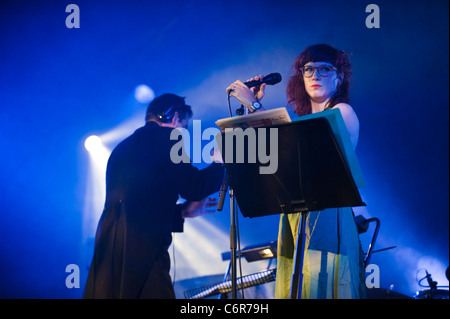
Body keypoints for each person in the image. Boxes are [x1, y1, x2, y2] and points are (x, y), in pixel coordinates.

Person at [226, 44, 365, 299]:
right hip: (295, 212)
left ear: (339, 77)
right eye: (308, 69)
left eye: (325, 69)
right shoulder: (300, 118)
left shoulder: (342, 111)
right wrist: (251, 108)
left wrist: (256, 107)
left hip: (327, 214)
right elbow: (268, 155)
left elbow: (304, 151)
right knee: (296, 288)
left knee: (321, 287)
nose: (315, 75)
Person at [83, 93, 224, 299]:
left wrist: (182, 211)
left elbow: (138, 201)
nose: (182, 133)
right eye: (183, 127)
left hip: (110, 250)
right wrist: (219, 162)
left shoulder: (122, 148)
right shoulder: (167, 138)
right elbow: (195, 187)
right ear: (174, 117)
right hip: (144, 253)